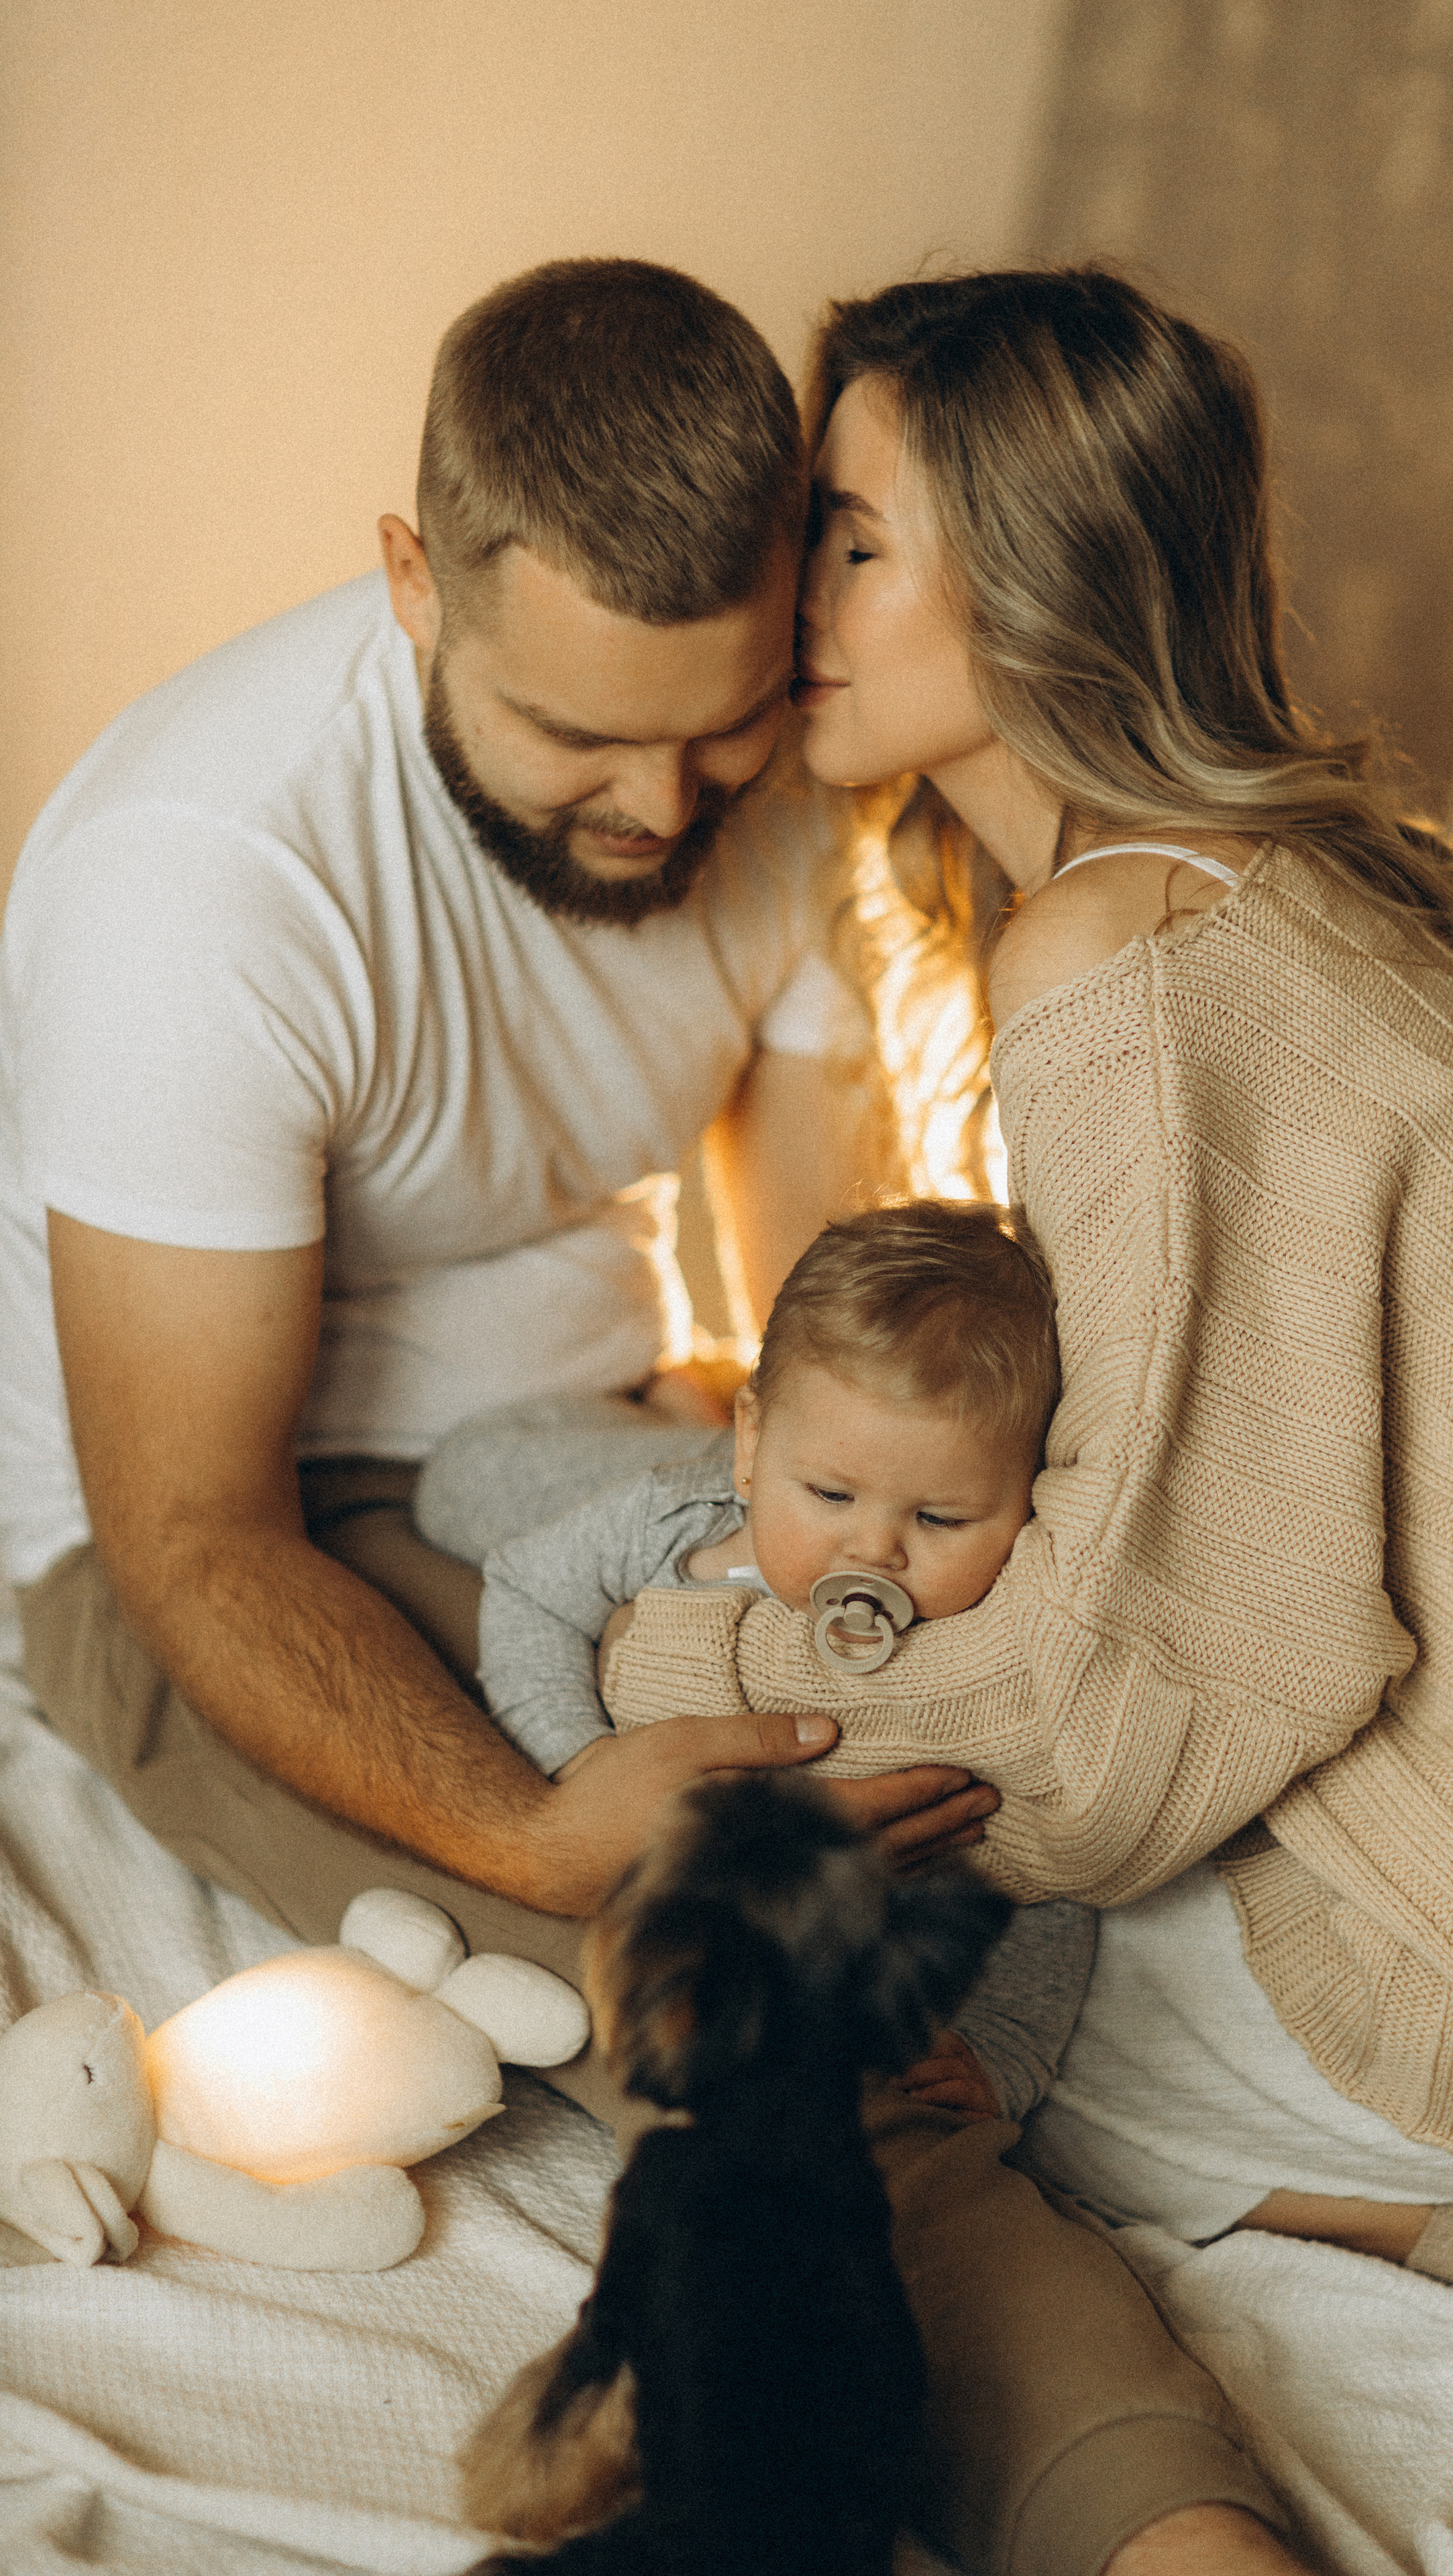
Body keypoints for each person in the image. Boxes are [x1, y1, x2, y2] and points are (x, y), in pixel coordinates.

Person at [1, 258, 1297, 2576]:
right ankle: (1167, 2535)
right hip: (209, 1539)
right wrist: (529, 1832)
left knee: (1000, 1838)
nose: (659, 805)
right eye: (577, 742)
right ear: (417, 579)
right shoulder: (197, 892)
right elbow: (192, 1535)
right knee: (785, 2043)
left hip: (609, 1452)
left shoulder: (770, 776)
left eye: (713, 736)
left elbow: (808, 1278)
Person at [605, 264, 1453, 2574]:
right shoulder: (1305, 892)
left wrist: (689, 1654)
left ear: (1025, 571)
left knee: (887, 2043)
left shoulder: (1121, 952)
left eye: (850, 534)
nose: (781, 591)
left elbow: (1184, 1678)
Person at [455, 1199, 1095, 2127]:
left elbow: (1055, 1869)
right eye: (832, 1495)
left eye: (941, 1519)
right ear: (757, 1445)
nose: (872, 1549)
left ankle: (688, 1408)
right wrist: (582, 1756)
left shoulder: (997, 1658)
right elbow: (525, 1587)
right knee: (463, 1483)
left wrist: (1004, 2049)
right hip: (637, 1471)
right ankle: (673, 1406)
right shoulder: (679, 1525)